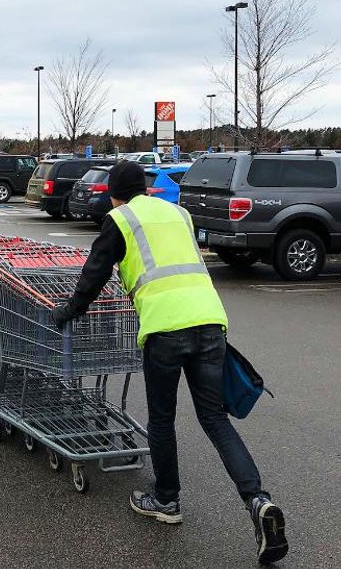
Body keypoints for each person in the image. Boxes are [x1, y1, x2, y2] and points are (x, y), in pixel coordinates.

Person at [49, 161, 287, 565]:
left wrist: (67, 312)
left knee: (162, 419)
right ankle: (257, 500)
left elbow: (93, 275)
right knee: (214, 419)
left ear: (113, 193)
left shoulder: (119, 219)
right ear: (144, 187)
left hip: (164, 327)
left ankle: (167, 500)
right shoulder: (179, 213)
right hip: (211, 320)